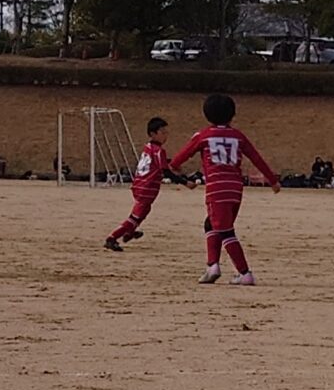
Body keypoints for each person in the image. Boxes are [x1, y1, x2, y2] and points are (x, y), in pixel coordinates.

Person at [168, 92, 281, 286]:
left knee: (225, 230)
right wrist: (272, 180)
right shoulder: (238, 136)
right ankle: (212, 265)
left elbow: (178, 159)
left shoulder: (203, 135)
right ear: (232, 114)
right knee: (211, 224)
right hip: (235, 188)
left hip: (216, 187)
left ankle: (244, 273)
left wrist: (176, 169)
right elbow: (256, 158)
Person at [106, 117, 176, 252]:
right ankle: (112, 238)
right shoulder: (159, 151)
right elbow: (166, 172)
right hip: (147, 188)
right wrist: (185, 181)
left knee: (144, 211)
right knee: (136, 216)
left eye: (166, 132)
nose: (165, 135)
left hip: (139, 184)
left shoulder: (148, 147)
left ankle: (129, 232)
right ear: (152, 134)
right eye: (162, 132)